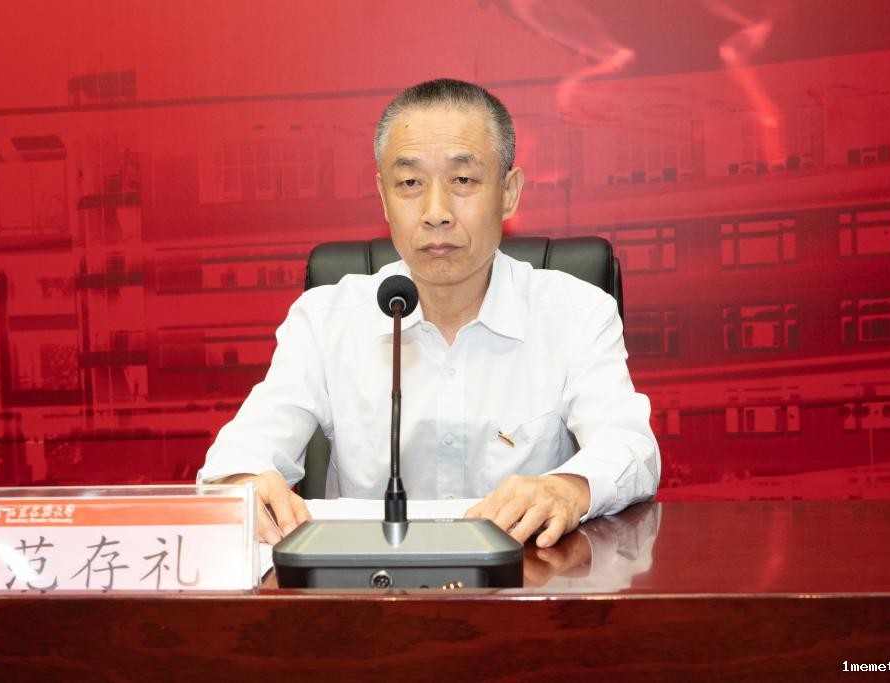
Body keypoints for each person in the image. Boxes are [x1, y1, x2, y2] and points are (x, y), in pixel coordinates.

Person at [198, 78, 660, 548]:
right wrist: (244, 482)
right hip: (367, 582)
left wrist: (568, 488)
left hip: (525, 580)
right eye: (410, 183)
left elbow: (631, 448)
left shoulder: (577, 315)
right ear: (384, 197)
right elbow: (239, 456)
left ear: (509, 192)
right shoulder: (324, 320)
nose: (436, 212)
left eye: (463, 181)